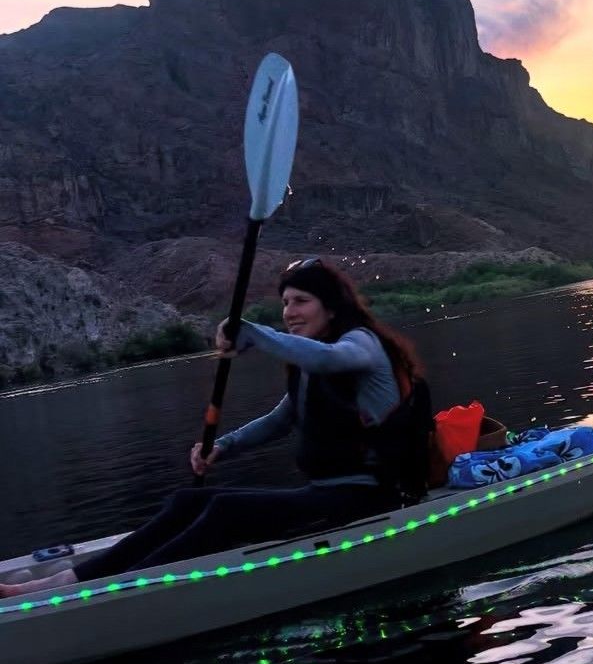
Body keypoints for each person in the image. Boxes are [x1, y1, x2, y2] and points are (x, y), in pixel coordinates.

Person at [1, 257, 432, 599]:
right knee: (191, 499)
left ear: (332, 307)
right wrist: (221, 447)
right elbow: (282, 420)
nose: (289, 312)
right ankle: (59, 584)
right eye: (285, 303)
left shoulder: (360, 345)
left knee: (226, 512)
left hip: (367, 496)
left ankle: (108, 593)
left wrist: (254, 333)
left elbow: (331, 360)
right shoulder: (311, 363)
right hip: (326, 493)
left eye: (300, 301)